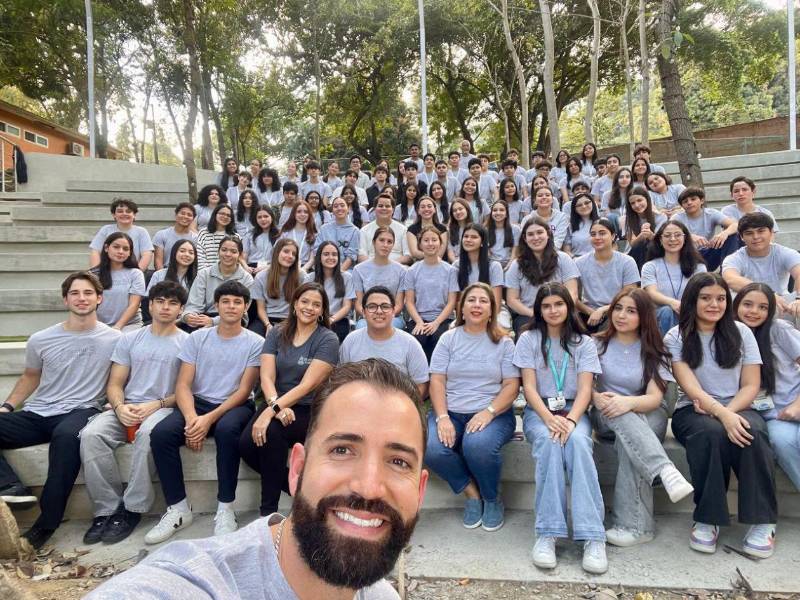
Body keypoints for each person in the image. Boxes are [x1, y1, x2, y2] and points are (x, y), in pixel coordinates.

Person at [88, 358, 428, 600]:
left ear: (420, 490)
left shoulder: (381, 594)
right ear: (297, 469)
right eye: (342, 450)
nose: (369, 486)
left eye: (398, 461)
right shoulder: (197, 581)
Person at [0, 272, 121, 548]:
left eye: (88, 293)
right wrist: (7, 406)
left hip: (82, 410)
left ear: (99, 298)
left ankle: (46, 525)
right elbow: (31, 376)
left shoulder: (115, 339)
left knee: (66, 439)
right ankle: (10, 486)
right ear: (65, 299)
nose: (82, 298)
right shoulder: (41, 339)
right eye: (75, 293)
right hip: (39, 411)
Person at [665, 272, 777, 558]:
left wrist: (727, 413)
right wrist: (719, 414)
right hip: (693, 409)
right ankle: (708, 518)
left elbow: (751, 384)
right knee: (710, 433)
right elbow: (689, 387)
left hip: (738, 404)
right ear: (692, 300)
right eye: (705, 298)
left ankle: (763, 520)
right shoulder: (676, 336)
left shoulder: (741, 331)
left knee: (751, 432)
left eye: (720, 298)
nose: (714, 304)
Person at [146, 281, 263, 543]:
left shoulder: (255, 342)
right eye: (225, 301)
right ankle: (178, 508)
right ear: (216, 305)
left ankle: (225, 508)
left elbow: (244, 391)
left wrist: (207, 420)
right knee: (162, 433)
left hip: (233, 404)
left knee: (227, 430)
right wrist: (191, 420)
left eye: (237, 302)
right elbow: (183, 384)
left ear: (246, 307)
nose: (231, 306)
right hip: (197, 403)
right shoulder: (198, 338)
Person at [79, 282, 189, 545]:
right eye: (160, 300)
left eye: (172, 303)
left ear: (181, 309)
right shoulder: (130, 339)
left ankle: (132, 509)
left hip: (163, 408)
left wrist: (157, 404)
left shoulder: (187, 343)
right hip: (126, 407)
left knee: (149, 434)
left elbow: (188, 390)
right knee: (91, 435)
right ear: (149, 305)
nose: (165, 307)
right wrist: (119, 407)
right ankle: (106, 510)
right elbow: (115, 383)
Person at [513, 283, 607, 574]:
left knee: (578, 443)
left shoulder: (584, 343)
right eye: (546, 306)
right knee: (550, 444)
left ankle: (592, 536)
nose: (553, 311)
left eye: (559, 304)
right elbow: (528, 388)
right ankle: (549, 532)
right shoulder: (528, 339)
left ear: (569, 307)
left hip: (573, 410)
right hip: (539, 410)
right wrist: (548, 418)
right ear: (539, 310)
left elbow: (584, 389)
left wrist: (570, 420)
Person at [591, 288, 694, 547]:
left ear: (644, 316)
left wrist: (627, 402)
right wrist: (596, 398)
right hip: (606, 414)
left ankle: (637, 527)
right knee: (621, 415)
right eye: (617, 308)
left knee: (631, 438)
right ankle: (663, 470)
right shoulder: (596, 344)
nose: (621, 315)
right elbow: (583, 387)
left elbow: (654, 399)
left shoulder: (655, 350)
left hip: (648, 413)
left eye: (631, 310)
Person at [239, 282, 338, 516]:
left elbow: (307, 385)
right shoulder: (276, 332)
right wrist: (276, 405)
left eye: (316, 304)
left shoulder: (328, 339)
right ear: (294, 304)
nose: (309, 308)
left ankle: (268, 513)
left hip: (308, 407)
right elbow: (266, 375)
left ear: (323, 310)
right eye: (305, 302)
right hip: (278, 400)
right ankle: (302, 493)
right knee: (246, 445)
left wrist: (270, 411)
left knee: (271, 434)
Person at [426, 282, 519, 532]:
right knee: (432, 448)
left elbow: (512, 385)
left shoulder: (504, 343)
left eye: (483, 301)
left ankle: (491, 498)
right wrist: (442, 417)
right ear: (461, 307)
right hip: (451, 411)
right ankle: (472, 493)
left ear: (492, 309)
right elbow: (437, 380)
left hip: (493, 412)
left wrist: (488, 412)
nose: (477, 305)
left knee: (476, 445)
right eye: (471, 300)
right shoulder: (448, 339)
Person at [734, 283, 800, 492]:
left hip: (795, 401)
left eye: (762, 307)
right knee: (782, 443)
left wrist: (798, 405)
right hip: (774, 416)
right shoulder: (728, 336)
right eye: (748, 304)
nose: (754, 312)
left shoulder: (778, 330)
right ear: (735, 305)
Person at [341, 286, 429, 398]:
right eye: (372, 307)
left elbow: (421, 385)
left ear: (393, 311)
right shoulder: (351, 341)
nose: (379, 311)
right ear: (363, 312)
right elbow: (343, 379)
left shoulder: (410, 344)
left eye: (385, 307)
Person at [505, 218, 580, 336]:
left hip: (560, 313)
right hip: (530, 315)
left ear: (548, 234)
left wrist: (557, 311)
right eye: (530, 234)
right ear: (525, 238)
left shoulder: (563, 259)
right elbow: (512, 299)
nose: (535, 238)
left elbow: (572, 293)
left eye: (539, 232)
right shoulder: (517, 265)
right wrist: (535, 314)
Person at [722, 213, 800, 321]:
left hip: (781, 303)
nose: (755, 237)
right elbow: (730, 279)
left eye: (761, 231)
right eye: (749, 233)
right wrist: (767, 295)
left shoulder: (785, 253)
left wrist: (798, 298)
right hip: (749, 305)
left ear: (771, 233)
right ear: (741, 237)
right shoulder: (734, 258)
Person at [403, 227, 459, 361]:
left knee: (439, 339)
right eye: (426, 240)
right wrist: (419, 322)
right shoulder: (412, 271)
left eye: (434, 240)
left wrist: (436, 323)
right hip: (419, 318)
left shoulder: (450, 270)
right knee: (417, 340)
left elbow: (452, 302)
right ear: (420, 244)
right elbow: (409, 302)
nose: (430, 243)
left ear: (440, 243)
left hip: (443, 319)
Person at [642, 221, 707, 334]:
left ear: (685, 238)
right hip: (660, 316)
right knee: (667, 311)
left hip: (689, 313)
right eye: (667, 236)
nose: (672, 239)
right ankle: (666, 349)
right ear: (660, 240)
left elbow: (702, 293)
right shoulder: (650, 266)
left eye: (677, 235)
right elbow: (651, 293)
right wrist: (672, 303)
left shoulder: (699, 267)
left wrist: (684, 307)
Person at [575, 218, 641, 331]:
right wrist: (591, 312)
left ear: (613, 236)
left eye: (602, 233)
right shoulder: (579, 262)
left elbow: (630, 295)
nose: (597, 237)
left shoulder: (627, 262)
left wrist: (603, 310)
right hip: (588, 312)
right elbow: (573, 297)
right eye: (593, 234)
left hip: (618, 310)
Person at [181, 237, 254, 330]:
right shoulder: (204, 274)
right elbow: (194, 305)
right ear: (218, 252)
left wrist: (213, 321)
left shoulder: (247, 279)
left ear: (240, 255)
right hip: (203, 317)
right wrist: (189, 317)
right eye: (224, 250)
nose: (228, 254)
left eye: (233, 251)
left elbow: (241, 311)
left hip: (234, 319)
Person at [672, 187, 739, 271]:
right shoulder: (677, 218)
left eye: (693, 199)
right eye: (685, 201)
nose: (689, 203)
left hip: (707, 254)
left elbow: (735, 225)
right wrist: (689, 236)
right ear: (682, 206)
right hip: (686, 256)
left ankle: (727, 271)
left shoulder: (711, 213)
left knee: (732, 236)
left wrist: (724, 233)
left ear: (702, 201)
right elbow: (667, 233)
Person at [353, 227, 406, 328]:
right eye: (381, 240)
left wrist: (386, 315)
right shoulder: (359, 270)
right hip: (367, 317)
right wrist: (371, 316)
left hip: (393, 317)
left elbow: (399, 305)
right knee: (362, 327)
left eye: (389, 242)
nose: (385, 245)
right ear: (373, 242)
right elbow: (358, 304)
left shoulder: (401, 271)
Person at [251, 238, 306, 336]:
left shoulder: (301, 276)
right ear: (277, 253)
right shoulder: (261, 277)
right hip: (267, 319)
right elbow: (261, 308)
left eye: (294, 254)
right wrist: (268, 325)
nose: (290, 256)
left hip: (291, 320)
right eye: (286, 251)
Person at [92, 232, 146, 330]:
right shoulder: (93, 274)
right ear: (106, 248)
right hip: (99, 326)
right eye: (116, 247)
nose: (120, 251)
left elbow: (134, 304)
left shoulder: (136, 274)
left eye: (125, 249)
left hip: (129, 325)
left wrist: (117, 327)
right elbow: (90, 305)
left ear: (130, 252)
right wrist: (99, 329)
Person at [89, 198, 154, 271]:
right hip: (107, 272)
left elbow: (147, 254)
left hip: (133, 271)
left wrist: (137, 273)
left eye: (128, 211)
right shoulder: (106, 230)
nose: (124, 214)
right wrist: (95, 272)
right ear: (114, 215)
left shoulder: (141, 232)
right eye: (120, 211)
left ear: (134, 215)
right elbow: (95, 251)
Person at [309, 242, 355, 342]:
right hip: (313, 319)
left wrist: (331, 320)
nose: (331, 257)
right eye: (326, 254)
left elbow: (347, 307)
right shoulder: (310, 278)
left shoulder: (346, 277)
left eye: (334, 254)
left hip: (337, 320)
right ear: (319, 257)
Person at [453, 224, 504, 307]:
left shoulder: (494, 266)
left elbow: (496, 304)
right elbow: (457, 301)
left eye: (474, 237)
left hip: (491, 312)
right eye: (466, 236)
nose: (468, 240)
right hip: (466, 313)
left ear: (482, 242)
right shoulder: (456, 266)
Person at [620, 186, 667, 269]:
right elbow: (632, 243)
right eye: (633, 203)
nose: (637, 205)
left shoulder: (660, 217)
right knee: (642, 244)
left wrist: (650, 235)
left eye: (639, 200)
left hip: (655, 251)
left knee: (649, 244)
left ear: (647, 199)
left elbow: (662, 241)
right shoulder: (625, 219)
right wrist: (642, 235)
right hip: (633, 254)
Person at [360, 194, 411, 264]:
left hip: (396, 268)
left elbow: (408, 256)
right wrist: (376, 265)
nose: (384, 208)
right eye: (380, 206)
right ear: (374, 209)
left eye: (387, 206)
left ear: (393, 210)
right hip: (372, 269)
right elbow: (361, 255)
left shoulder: (403, 230)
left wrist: (389, 265)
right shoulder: (364, 230)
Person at [315, 196, 361, 271]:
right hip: (324, 268)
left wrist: (339, 273)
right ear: (332, 210)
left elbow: (351, 256)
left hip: (345, 271)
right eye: (336, 206)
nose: (339, 208)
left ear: (348, 209)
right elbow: (317, 250)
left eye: (342, 205)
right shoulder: (324, 229)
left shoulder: (354, 231)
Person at [152, 203, 198, 270]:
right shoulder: (162, 234)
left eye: (189, 215)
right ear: (176, 215)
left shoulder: (196, 238)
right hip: (166, 272)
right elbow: (158, 261)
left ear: (193, 219)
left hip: (187, 273)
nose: (185, 216)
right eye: (182, 213)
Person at [196, 204, 239, 269]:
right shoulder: (203, 233)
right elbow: (199, 257)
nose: (225, 217)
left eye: (228, 215)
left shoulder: (235, 236)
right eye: (222, 213)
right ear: (215, 214)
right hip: (206, 275)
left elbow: (238, 259)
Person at [406, 195, 448, 261]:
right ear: (418, 211)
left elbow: (440, 254)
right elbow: (414, 252)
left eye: (429, 206)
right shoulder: (411, 229)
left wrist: (427, 255)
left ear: (434, 209)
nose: (426, 209)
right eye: (422, 207)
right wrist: (431, 255)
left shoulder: (442, 229)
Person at [279, 199, 317, 268]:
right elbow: (277, 253)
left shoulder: (314, 235)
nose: (302, 214)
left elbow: (312, 259)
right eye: (299, 212)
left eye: (305, 212)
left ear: (309, 215)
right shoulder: (285, 233)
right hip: (286, 267)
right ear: (294, 214)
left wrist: (302, 270)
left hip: (305, 268)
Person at [242, 205, 281, 275]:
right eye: (259, 217)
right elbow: (244, 256)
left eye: (266, 216)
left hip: (271, 268)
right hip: (252, 269)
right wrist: (246, 267)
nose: (263, 219)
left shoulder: (279, 235)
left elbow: (281, 258)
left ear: (272, 217)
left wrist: (266, 267)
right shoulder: (249, 235)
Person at [484, 200, 520, 268]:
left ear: (506, 214)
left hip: (510, 263)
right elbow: (487, 254)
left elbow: (515, 253)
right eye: (495, 210)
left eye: (501, 210)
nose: (498, 213)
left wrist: (508, 267)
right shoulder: (485, 231)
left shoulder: (515, 229)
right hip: (492, 264)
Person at [565, 192, 598, 258]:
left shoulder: (603, 222)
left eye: (587, 203)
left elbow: (613, 246)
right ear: (575, 209)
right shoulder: (569, 226)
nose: (584, 206)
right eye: (579, 205)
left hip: (599, 259)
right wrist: (576, 260)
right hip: (577, 260)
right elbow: (567, 251)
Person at [447, 198, 473, 263]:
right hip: (456, 263)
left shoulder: (476, 229)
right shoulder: (448, 230)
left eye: (460, 209)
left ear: (467, 210)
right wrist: (456, 263)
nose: (458, 212)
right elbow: (450, 251)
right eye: (454, 210)